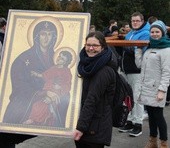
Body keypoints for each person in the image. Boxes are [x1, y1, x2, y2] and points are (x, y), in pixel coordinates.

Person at [0, 19, 59, 147]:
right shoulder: (23, 59)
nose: (46, 38)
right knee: (6, 137)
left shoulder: (58, 58)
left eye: (50, 34)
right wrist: (42, 93)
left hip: (51, 100)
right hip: (26, 100)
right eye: (43, 33)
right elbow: (19, 86)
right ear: (37, 36)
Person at [73, 31, 118, 148]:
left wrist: (80, 127)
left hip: (96, 127)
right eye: (88, 45)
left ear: (102, 47)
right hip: (87, 122)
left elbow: (92, 99)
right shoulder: (85, 65)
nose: (90, 48)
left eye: (95, 46)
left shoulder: (104, 71)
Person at [135, 20, 170, 148]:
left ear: (162, 33)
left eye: (157, 32)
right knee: (151, 116)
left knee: (158, 116)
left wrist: (162, 90)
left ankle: (164, 143)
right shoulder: (149, 47)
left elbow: (167, 72)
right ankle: (152, 140)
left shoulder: (166, 49)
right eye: (152, 32)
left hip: (157, 89)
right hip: (146, 88)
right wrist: (138, 51)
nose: (154, 34)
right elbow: (140, 65)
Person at [118, 11, 150, 137]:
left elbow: (139, 50)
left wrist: (125, 46)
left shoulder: (145, 33)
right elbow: (127, 48)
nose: (135, 23)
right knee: (127, 97)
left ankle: (138, 124)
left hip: (136, 71)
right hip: (126, 69)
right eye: (133, 21)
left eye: (137, 21)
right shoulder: (130, 33)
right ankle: (130, 121)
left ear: (142, 21)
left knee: (136, 98)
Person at [23, 50, 73, 127]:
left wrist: (60, 87)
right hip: (47, 90)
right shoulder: (53, 68)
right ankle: (34, 120)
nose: (59, 58)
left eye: (62, 59)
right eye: (59, 56)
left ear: (66, 62)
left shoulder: (67, 72)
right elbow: (44, 75)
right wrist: (35, 74)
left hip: (57, 93)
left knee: (44, 106)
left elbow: (68, 85)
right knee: (36, 104)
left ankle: (33, 120)